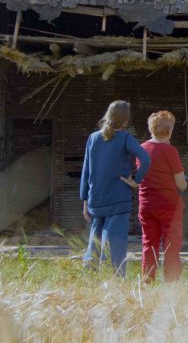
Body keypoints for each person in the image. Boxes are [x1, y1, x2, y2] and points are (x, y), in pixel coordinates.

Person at [80, 100, 151, 277]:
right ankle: (114, 278)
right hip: (119, 200)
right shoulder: (126, 139)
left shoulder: (93, 138)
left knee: (94, 243)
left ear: (108, 115)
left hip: (96, 198)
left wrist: (85, 200)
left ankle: (88, 278)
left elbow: (86, 171)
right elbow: (146, 159)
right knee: (114, 244)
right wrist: (136, 180)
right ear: (126, 120)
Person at [137, 110, 188, 282]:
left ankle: (147, 279)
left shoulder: (141, 149)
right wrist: (186, 184)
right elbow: (180, 182)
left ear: (151, 129)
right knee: (171, 244)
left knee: (149, 243)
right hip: (168, 206)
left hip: (146, 203)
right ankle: (171, 280)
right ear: (170, 131)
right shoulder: (170, 151)